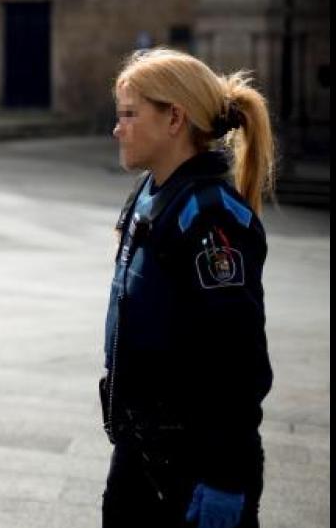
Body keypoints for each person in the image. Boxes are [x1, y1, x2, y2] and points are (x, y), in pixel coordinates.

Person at [101, 48, 274, 528]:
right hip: (142, 455)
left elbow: (237, 361)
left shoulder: (210, 218)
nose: (118, 129)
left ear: (174, 118)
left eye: (130, 115)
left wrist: (225, 477)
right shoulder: (153, 192)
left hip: (192, 468)